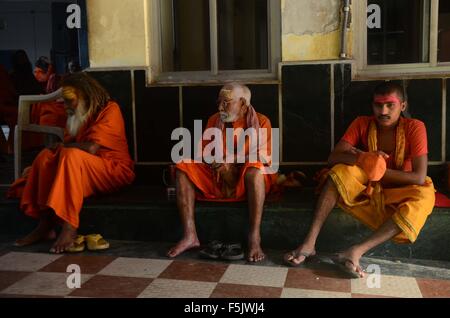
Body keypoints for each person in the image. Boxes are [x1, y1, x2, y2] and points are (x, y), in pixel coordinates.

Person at [284, 82, 435, 278]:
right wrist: (365, 158)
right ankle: (309, 243)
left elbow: (418, 176)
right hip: (369, 187)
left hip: (401, 187)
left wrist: (377, 169)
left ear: (403, 106)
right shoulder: (362, 123)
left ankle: (356, 251)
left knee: (425, 195)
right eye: (378, 105)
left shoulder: (415, 127)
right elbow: (334, 157)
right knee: (339, 173)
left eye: (390, 105)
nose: (383, 111)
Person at [8, 72, 135, 253]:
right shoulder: (78, 112)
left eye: (70, 100)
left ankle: (69, 226)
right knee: (45, 156)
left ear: (85, 95)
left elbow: (91, 148)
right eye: (65, 101)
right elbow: (69, 144)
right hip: (82, 169)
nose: (66, 106)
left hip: (112, 170)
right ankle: (45, 224)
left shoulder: (109, 109)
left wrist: (63, 148)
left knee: (70, 155)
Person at [167, 83, 277, 263]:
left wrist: (231, 160)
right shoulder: (214, 120)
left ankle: (254, 237)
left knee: (255, 170)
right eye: (219, 102)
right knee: (183, 166)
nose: (220, 107)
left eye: (226, 102)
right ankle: (190, 235)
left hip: (246, 181)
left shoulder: (262, 121)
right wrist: (216, 162)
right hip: (219, 179)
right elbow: (202, 153)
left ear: (243, 103)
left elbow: (265, 156)